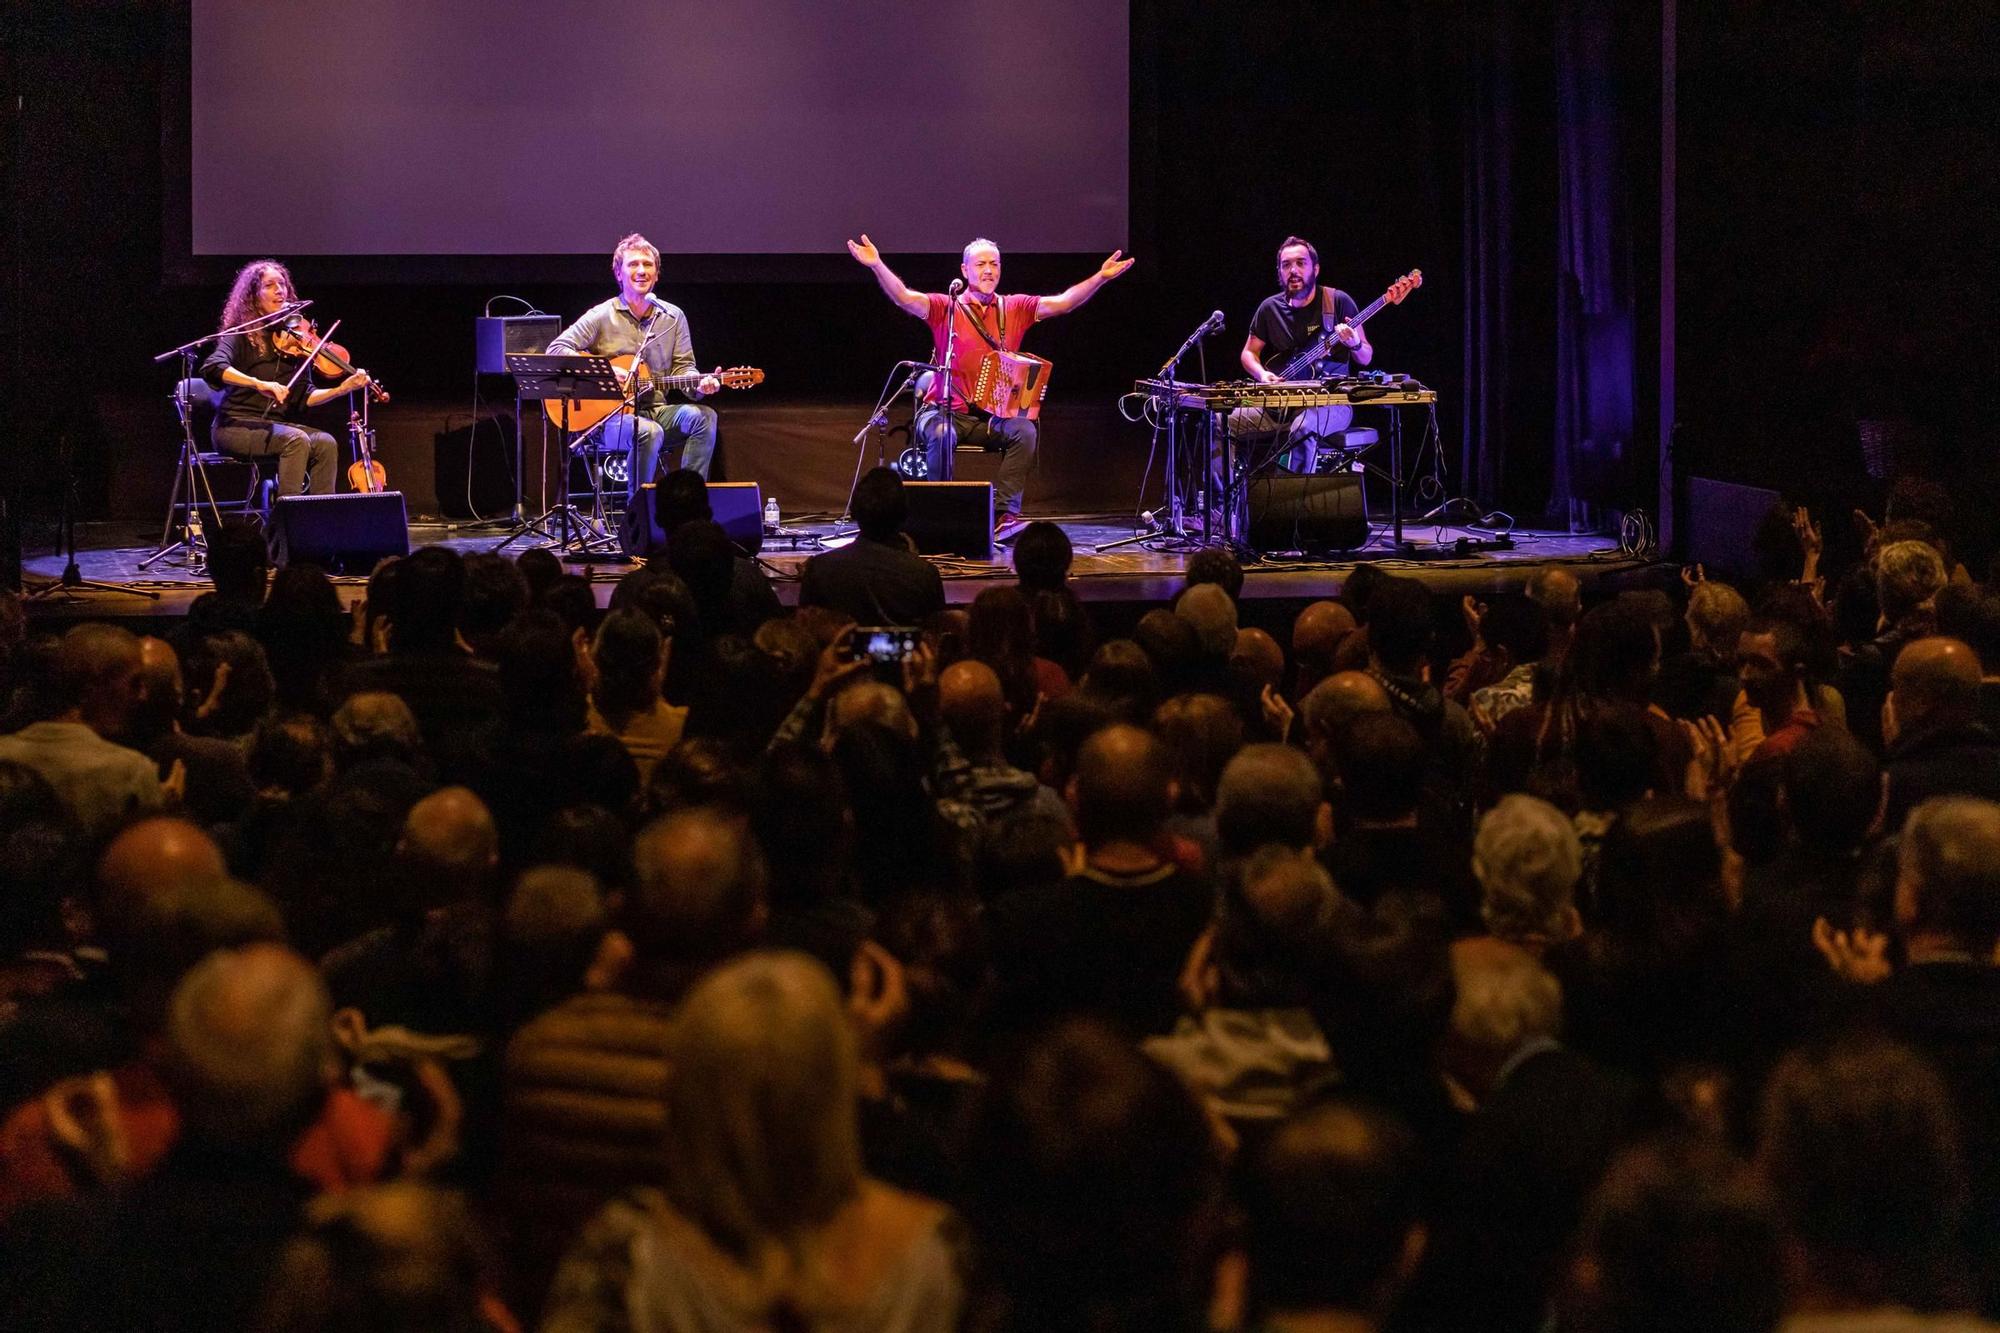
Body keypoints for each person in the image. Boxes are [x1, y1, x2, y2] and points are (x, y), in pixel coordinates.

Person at [846, 232, 1135, 532]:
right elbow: (904, 297)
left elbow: (1063, 303)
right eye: (981, 264)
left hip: (993, 419)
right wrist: (877, 264)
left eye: (995, 264)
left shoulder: (1015, 307)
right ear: (964, 270)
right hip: (944, 413)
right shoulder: (946, 306)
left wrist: (1100, 277)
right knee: (942, 432)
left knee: (1024, 430)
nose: (989, 270)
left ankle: (1005, 514)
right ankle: (941, 513)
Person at [547, 232, 720, 504]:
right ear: (618, 273)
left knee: (703, 417)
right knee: (648, 431)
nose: (642, 271)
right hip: (608, 419)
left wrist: (698, 384)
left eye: (648, 265)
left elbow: (685, 368)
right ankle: (637, 513)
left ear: (657, 274)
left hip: (656, 410)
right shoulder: (602, 315)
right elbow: (556, 350)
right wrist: (602, 369)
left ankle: (689, 502)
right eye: (633, 264)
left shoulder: (673, 317)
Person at [202, 259, 370, 498]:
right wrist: (258, 383)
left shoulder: (293, 339)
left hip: (274, 427)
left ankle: (321, 524)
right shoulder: (240, 334)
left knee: (326, 442)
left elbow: (305, 396)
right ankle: (285, 524)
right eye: (270, 285)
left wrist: (341, 389)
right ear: (253, 296)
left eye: (282, 284)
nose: (279, 290)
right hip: (234, 426)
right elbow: (214, 367)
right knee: (296, 440)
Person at [1232, 236, 1377, 474]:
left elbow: (1366, 357)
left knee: (1302, 428)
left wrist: (1355, 343)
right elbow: (1249, 352)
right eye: (1286, 265)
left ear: (1315, 269)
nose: (1294, 271)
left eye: (1301, 263)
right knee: (1218, 422)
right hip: (1282, 404)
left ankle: (1296, 506)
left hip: (1332, 404)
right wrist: (1262, 374)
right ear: (1279, 271)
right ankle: (1221, 506)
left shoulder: (1337, 301)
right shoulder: (1269, 308)